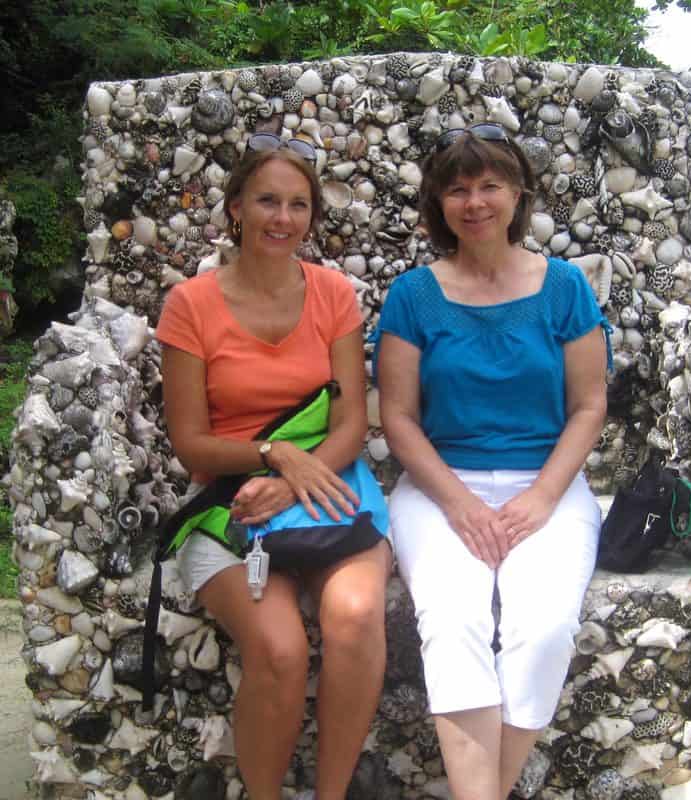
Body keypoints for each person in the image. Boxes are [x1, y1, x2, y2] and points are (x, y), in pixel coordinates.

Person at [374, 123, 610, 800]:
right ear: (438, 206)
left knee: (541, 628)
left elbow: (589, 404)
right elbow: (397, 417)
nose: (474, 202)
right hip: (439, 486)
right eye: (457, 190)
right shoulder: (413, 296)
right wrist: (459, 503)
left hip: (550, 485)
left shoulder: (564, 287)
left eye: (489, 186)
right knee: (454, 620)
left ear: (517, 195)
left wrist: (540, 499)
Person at [156, 133, 392, 800]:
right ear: (235, 208)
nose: (282, 219)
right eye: (266, 201)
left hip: (330, 482)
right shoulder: (191, 306)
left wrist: (292, 473)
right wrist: (270, 453)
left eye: (298, 204)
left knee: (353, 614)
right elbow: (191, 443)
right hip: (233, 500)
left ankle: (331, 794)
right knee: (280, 649)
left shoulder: (332, 295)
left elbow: (352, 424)